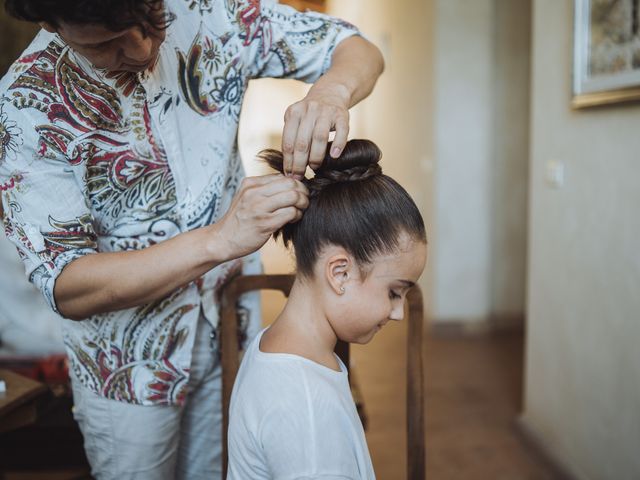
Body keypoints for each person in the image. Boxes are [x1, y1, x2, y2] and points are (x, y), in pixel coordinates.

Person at [0, 0, 384, 478]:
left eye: (150, 22)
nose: (142, 48)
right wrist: (220, 239)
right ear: (50, 23)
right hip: (127, 371)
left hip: (230, 330)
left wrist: (332, 91)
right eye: (107, 43)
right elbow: (66, 284)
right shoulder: (27, 100)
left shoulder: (213, 12)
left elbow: (357, 48)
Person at [227, 139, 428, 479]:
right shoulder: (306, 409)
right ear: (340, 272)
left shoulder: (276, 348)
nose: (398, 313)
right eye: (394, 293)